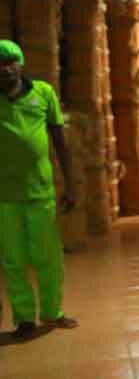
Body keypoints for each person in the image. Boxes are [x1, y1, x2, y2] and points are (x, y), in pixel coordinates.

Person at [0, 39, 79, 341]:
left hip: (40, 191)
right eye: (0, 64)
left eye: (11, 62)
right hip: (4, 196)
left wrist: (70, 185)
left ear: (20, 64)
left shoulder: (44, 93)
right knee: (13, 259)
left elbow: (60, 142)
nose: (6, 69)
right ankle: (23, 319)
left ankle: (52, 312)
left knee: (47, 255)